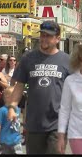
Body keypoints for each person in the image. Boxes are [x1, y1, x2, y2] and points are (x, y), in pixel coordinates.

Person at [7, 20, 71, 154]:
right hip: (34, 124)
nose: (44, 38)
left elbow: (74, 90)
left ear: (58, 38)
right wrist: (12, 107)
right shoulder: (28, 58)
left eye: (49, 36)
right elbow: (19, 86)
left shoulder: (66, 60)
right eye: (42, 35)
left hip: (57, 124)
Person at [0, 86, 22, 154]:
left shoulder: (17, 108)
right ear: (7, 97)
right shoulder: (2, 110)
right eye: (15, 95)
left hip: (16, 140)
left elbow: (18, 123)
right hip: (5, 141)